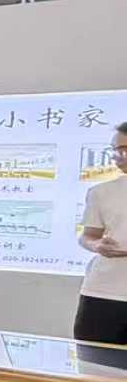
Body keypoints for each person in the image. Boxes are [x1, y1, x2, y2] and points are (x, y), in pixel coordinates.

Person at [77, 122, 127, 344]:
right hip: (103, 293)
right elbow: (87, 236)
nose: (117, 156)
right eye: (114, 150)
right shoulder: (101, 192)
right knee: (94, 361)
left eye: (123, 149)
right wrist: (97, 245)